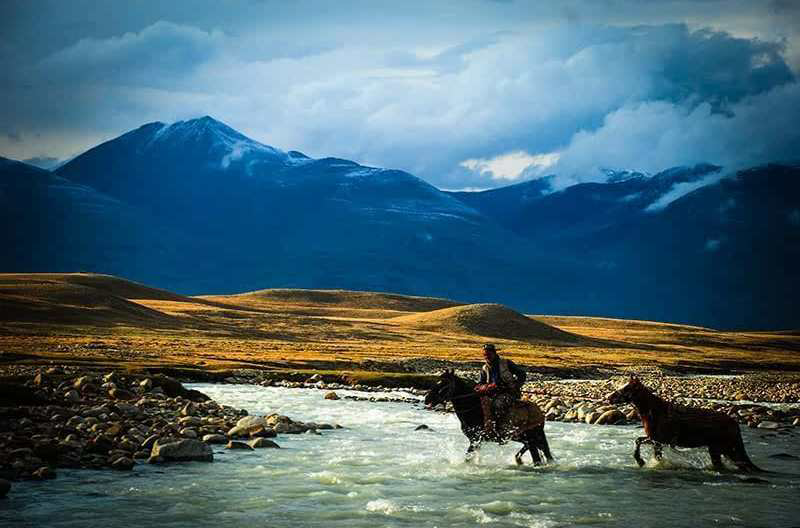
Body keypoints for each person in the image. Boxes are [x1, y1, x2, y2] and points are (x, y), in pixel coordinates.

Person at [474, 343, 527, 439]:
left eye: (489, 354)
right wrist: (482, 387)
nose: (487, 357)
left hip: (509, 393)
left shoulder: (506, 363)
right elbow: (480, 383)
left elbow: (522, 374)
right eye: (485, 355)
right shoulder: (484, 368)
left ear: (494, 353)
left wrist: (516, 386)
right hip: (492, 394)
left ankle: (501, 428)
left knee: (497, 405)